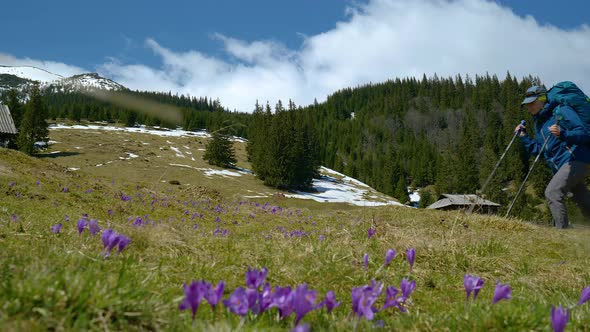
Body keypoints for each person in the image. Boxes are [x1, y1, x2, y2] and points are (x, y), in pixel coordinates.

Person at [515, 85, 590, 228]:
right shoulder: (539, 123)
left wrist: (564, 134)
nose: (529, 107)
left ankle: (562, 234)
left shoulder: (561, 110)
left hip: (576, 159)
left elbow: (583, 133)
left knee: (552, 193)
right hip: (563, 165)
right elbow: (540, 150)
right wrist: (524, 136)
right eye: (527, 104)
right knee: (583, 199)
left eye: (532, 103)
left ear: (543, 99)